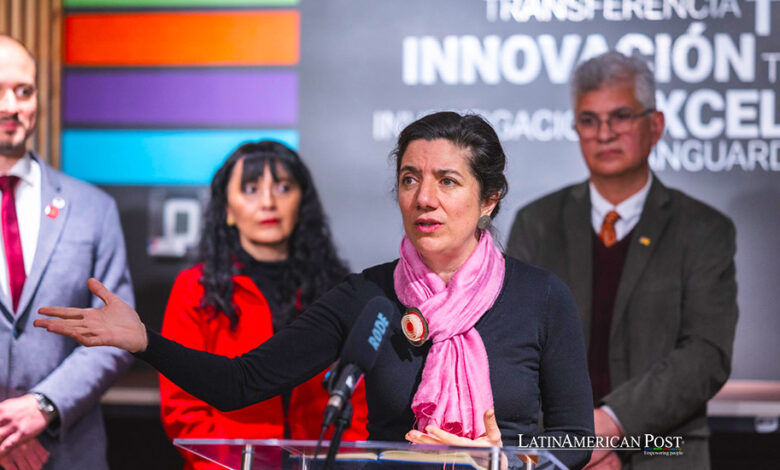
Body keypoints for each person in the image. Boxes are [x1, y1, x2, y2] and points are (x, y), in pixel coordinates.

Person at [36, 112, 595, 469]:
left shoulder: (542, 297)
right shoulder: (367, 298)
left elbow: (576, 440)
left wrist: (514, 461)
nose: (424, 198)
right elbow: (240, 383)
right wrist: (143, 342)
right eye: (409, 178)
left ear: (490, 197)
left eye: (447, 181)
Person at [506, 51, 737, 469]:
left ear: (655, 125)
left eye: (621, 116)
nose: (604, 133)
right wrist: (570, 447)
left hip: (660, 447)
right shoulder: (536, 223)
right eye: (589, 120)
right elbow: (512, 350)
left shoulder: (704, 229)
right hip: (551, 453)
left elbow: (705, 355)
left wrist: (610, 428)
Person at [159, 140, 368, 470]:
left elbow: (357, 397)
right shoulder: (194, 288)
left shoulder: (337, 288)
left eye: (283, 187)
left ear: (302, 202)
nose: (269, 202)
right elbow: (182, 408)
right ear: (227, 208)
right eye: (251, 189)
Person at [0, 35, 134, 469]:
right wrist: (7, 432)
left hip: (68, 450)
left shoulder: (93, 208)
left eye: (24, 90)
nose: (11, 106)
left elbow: (118, 335)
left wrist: (41, 406)